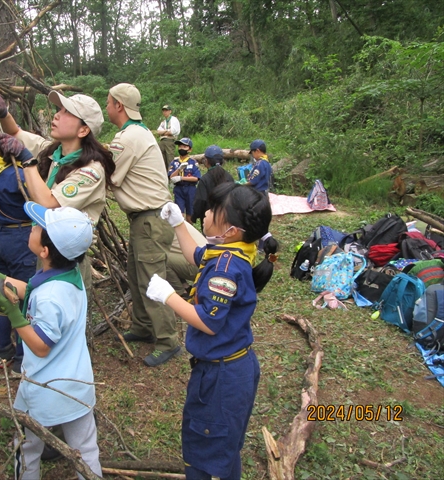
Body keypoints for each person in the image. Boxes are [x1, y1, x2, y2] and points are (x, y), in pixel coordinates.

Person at [146, 183, 274, 480]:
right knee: (225, 448)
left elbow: (208, 321)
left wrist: (169, 297)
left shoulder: (225, 269)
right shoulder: (235, 249)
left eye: (213, 211)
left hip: (221, 378)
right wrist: (179, 224)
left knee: (202, 452)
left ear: (230, 229)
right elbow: (198, 256)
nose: (204, 213)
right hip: (231, 368)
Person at [0, 202, 101, 480]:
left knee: (26, 447)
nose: (32, 226)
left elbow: (40, 346)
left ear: (44, 251)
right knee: (86, 450)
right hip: (77, 384)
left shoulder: (51, 295)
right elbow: (38, 290)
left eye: (38, 227)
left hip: (44, 386)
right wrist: (4, 280)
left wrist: (14, 314)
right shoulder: (68, 276)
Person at [0, 91, 115, 288]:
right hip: (45, 253)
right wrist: (4, 114)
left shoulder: (90, 171)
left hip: (67, 261)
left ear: (83, 130)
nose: (57, 115)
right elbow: (16, 133)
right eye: (59, 109)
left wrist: (27, 161)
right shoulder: (54, 153)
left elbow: (48, 204)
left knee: (63, 315)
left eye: (67, 112)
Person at [106, 83, 181, 367]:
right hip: (146, 219)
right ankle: (143, 326)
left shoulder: (127, 138)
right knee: (137, 276)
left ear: (119, 106)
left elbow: (109, 177)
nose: (107, 107)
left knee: (152, 281)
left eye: (109, 102)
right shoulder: (139, 133)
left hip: (149, 219)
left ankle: (167, 341)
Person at [0, 127, 37, 370]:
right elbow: (35, 193)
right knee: (23, 296)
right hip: (19, 236)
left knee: (3, 294)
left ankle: (3, 350)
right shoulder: (18, 174)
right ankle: (23, 356)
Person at [192, 145, 235, 229]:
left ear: (206, 161)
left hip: (209, 220)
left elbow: (200, 200)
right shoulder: (229, 177)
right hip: (226, 219)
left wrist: (194, 216)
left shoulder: (205, 179)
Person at [168, 137, 200, 225]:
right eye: (180, 146)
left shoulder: (193, 162)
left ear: (190, 149)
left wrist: (182, 178)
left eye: (184, 147)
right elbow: (171, 176)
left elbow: (196, 178)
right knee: (179, 216)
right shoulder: (174, 162)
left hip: (190, 189)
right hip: (179, 189)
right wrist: (178, 169)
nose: (181, 148)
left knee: (190, 217)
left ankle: (191, 234)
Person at [156, 105, 180, 170]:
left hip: (170, 140)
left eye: (166, 110)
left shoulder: (173, 119)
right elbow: (158, 132)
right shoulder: (163, 122)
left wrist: (163, 132)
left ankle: (171, 175)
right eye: (163, 111)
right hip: (162, 141)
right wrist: (166, 131)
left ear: (170, 111)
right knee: (162, 159)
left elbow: (172, 132)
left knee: (170, 159)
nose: (165, 112)